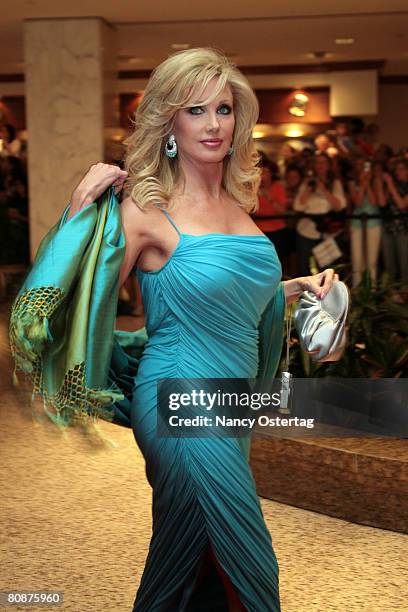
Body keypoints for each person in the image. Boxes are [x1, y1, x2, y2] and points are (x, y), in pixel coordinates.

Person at [66, 47, 339, 611]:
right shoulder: (144, 207)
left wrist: (293, 289)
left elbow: (228, 292)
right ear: (169, 121)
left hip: (232, 401)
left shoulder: (239, 201)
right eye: (195, 111)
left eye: (224, 109)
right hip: (179, 395)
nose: (213, 124)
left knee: (188, 549)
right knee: (246, 552)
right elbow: (74, 298)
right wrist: (78, 212)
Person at [293, 152, 346, 276]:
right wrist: (308, 188)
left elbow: (339, 206)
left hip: (328, 232)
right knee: (305, 268)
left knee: (328, 270)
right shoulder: (307, 182)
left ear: (328, 165)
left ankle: (328, 295)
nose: (320, 165)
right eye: (317, 162)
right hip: (306, 231)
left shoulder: (335, 183)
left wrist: (324, 190)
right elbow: (298, 206)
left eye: (323, 162)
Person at [376, 159, 408, 301]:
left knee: (404, 265)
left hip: (403, 230)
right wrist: (382, 186)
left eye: (402, 169)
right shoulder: (392, 185)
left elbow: (402, 204)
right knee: (389, 266)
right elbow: (382, 203)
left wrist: (389, 184)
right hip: (387, 229)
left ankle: (405, 295)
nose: (399, 172)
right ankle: (391, 297)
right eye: (397, 169)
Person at [253, 155, 292, 272]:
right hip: (259, 231)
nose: (262, 175)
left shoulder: (278, 187)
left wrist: (269, 198)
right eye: (259, 172)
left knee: (281, 263)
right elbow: (250, 212)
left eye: (265, 172)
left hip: (278, 231)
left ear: (271, 174)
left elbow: (282, 211)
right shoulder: (252, 189)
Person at [348, 158, 382, 289]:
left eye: (363, 165)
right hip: (357, 223)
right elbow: (358, 202)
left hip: (374, 223)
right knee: (357, 261)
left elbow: (374, 201)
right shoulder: (352, 183)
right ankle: (357, 292)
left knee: (372, 261)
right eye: (358, 165)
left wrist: (367, 184)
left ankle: (371, 291)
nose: (361, 168)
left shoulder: (376, 181)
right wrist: (362, 184)